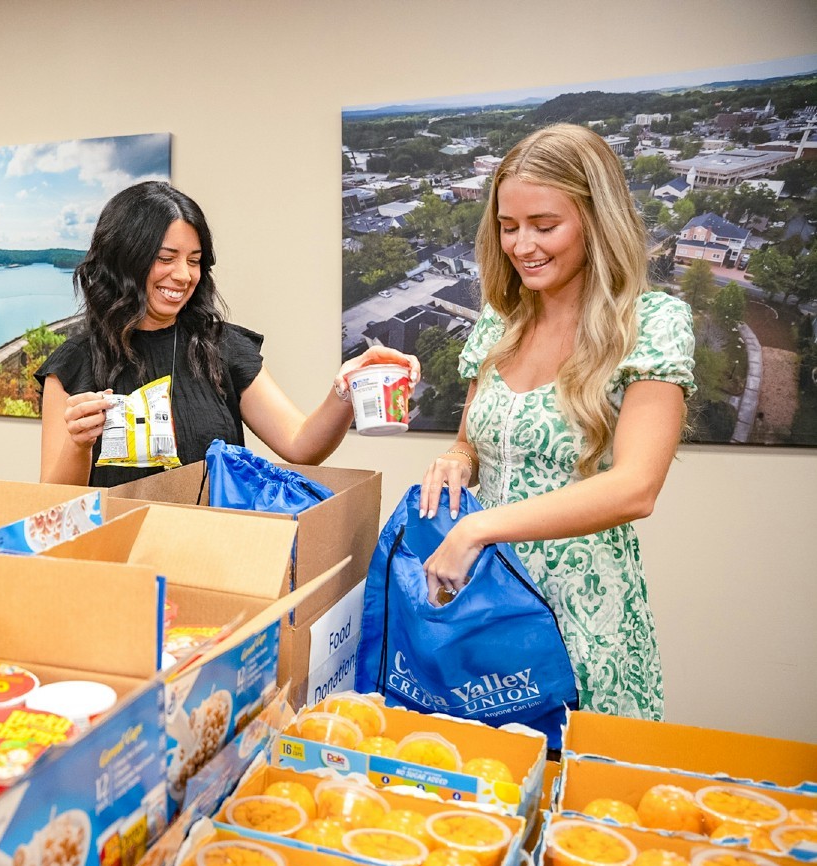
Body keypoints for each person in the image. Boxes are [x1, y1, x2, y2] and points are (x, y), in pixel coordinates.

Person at [418, 123, 695, 720]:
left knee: (575, 793)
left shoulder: (652, 325)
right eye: (508, 226)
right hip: (488, 598)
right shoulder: (499, 323)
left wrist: (475, 529)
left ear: (597, 222)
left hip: (584, 614)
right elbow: (472, 443)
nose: (522, 245)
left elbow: (635, 488)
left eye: (544, 226)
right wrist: (456, 461)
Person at [37, 181, 418, 488]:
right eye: (166, 259)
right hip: (120, 566)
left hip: (219, 554)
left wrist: (346, 387)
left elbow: (302, 446)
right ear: (124, 259)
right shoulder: (74, 366)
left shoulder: (221, 348)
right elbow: (53, 503)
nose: (184, 276)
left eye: (195, 260)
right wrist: (78, 444)